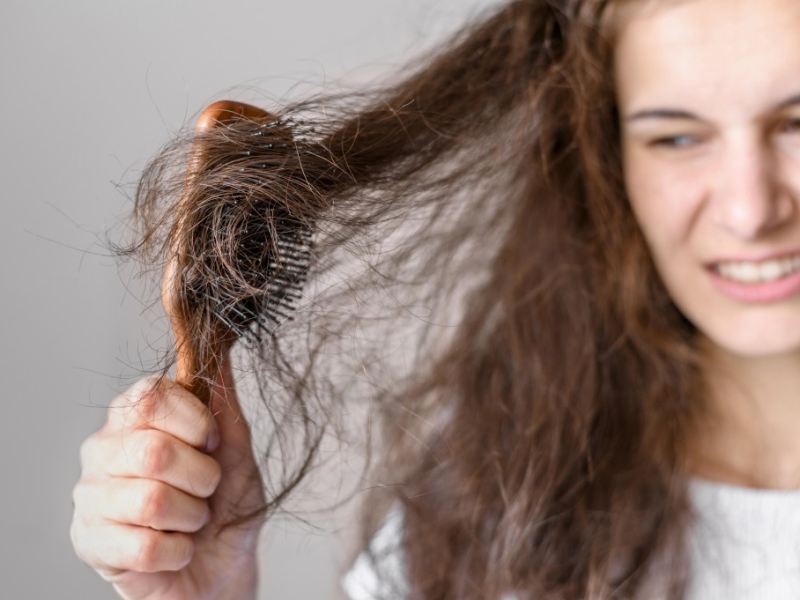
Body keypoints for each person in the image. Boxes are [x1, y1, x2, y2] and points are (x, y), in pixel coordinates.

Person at [70, 0, 800, 598]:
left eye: (796, 124)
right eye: (675, 138)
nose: (750, 209)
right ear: (612, 165)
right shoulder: (499, 500)